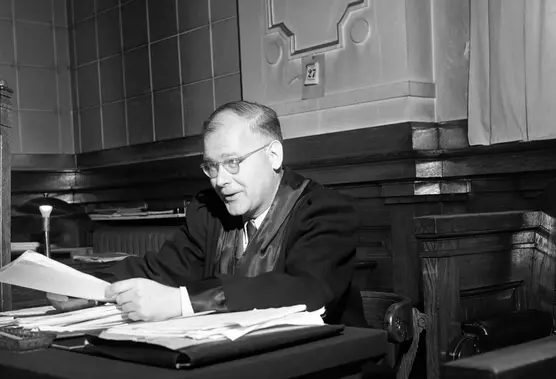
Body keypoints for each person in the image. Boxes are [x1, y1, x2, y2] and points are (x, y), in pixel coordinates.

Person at [50, 100, 364, 324]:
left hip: (321, 370)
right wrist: (88, 286)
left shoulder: (325, 212)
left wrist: (183, 302)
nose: (220, 180)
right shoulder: (209, 211)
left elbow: (304, 290)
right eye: (211, 166)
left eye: (232, 162)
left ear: (273, 155)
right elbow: (162, 270)